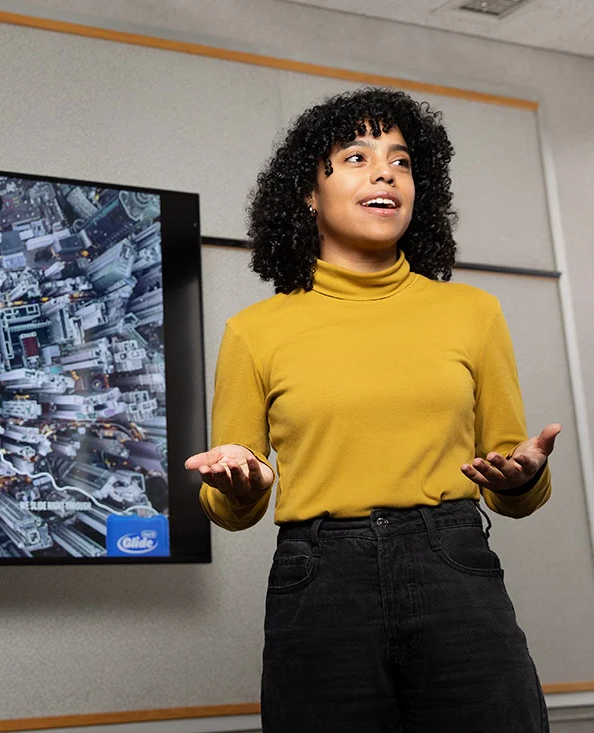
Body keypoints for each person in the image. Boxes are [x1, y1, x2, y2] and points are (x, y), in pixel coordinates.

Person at [184, 87, 560, 732]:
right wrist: (240, 484)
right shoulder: (255, 330)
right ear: (309, 192)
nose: (386, 171)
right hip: (320, 576)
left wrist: (523, 476)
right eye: (356, 157)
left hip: (453, 563)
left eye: (402, 161)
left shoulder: (472, 312)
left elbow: (510, 481)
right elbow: (230, 506)